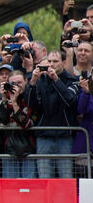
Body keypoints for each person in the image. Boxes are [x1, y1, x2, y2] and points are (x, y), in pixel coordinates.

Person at [26, 50, 78, 178]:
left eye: (55, 61)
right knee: (44, 178)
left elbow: (69, 100)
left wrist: (56, 79)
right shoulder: (41, 80)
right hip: (44, 135)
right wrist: (32, 82)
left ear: (64, 62)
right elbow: (30, 105)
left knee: (66, 177)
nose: (51, 64)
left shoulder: (73, 80)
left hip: (64, 135)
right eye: (49, 61)